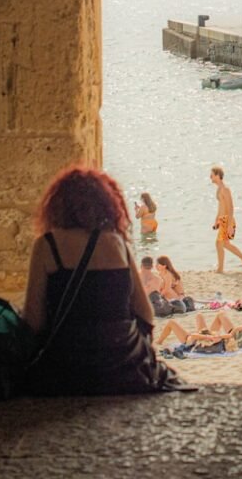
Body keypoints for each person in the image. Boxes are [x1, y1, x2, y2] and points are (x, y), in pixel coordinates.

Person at [22, 165, 182, 395]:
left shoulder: (47, 245)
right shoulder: (118, 244)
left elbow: (34, 321)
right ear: (106, 204)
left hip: (66, 367)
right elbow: (146, 314)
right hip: (122, 364)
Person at [210, 166, 242, 274]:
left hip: (228, 220)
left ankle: (221, 268)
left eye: (212, 175)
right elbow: (221, 206)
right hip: (222, 220)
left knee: (220, 243)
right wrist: (216, 220)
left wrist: (229, 225)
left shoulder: (225, 189)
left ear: (218, 176)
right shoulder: (219, 189)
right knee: (224, 244)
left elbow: (230, 207)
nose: (210, 178)